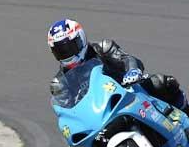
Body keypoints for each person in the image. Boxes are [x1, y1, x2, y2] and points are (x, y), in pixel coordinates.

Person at [48, 18, 189, 114]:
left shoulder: (103, 48)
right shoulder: (60, 83)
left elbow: (127, 59)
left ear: (81, 39)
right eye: (61, 51)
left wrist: (132, 71)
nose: (67, 54)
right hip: (98, 115)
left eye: (70, 48)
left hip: (128, 92)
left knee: (163, 82)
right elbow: (65, 112)